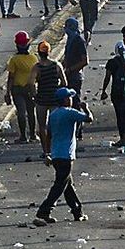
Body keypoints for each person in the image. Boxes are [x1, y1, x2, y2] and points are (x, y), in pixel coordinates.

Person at [34, 86, 92, 225]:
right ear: (65, 100)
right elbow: (89, 119)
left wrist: (47, 153)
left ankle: (77, 211)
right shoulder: (70, 113)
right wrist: (86, 108)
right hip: (66, 155)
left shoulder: (53, 114)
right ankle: (44, 210)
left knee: (67, 185)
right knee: (60, 185)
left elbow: (49, 135)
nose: (71, 100)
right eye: (70, 98)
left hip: (56, 154)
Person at [31, 40, 67, 158]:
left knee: (42, 126)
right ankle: (54, 149)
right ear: (49, 51)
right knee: (54, 126)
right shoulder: (56, 65)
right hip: (54, 100)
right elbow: (64, 82)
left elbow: (30, 83)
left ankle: (45, 151)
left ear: (39, 53)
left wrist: (34, 95)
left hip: (41, 99)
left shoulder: (37, 67)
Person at [5, 31, 38, 143]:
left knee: (21, 112)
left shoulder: (14, 60)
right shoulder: (34, 58)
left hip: (17, 89)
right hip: (30, 89)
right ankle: (33, 135)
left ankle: (23, 136)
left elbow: (11, 77)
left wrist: (7, 92)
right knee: (31, 112)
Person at [62, 17, 88, 117]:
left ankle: (78, 128)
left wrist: (70, 69)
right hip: (68, 75)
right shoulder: (70, 39)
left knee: (75, 102)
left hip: (75, 76)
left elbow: (85, 61)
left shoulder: (79, 41)